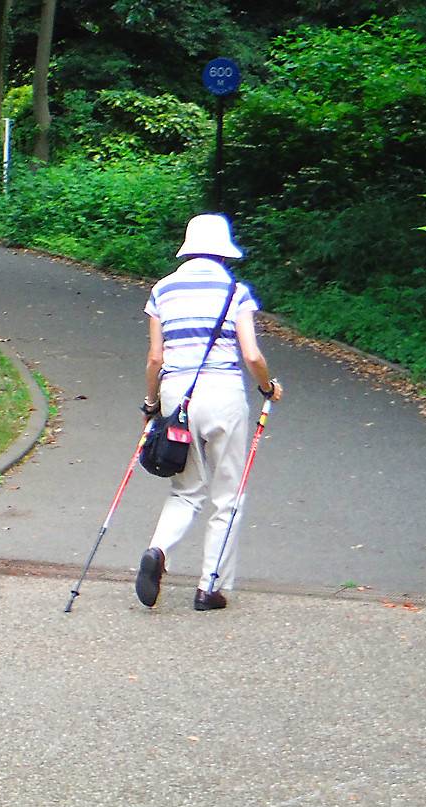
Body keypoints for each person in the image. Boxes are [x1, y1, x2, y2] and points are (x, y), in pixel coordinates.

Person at [135, 213, 284, 611]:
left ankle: (157, 550)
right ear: (222, 251)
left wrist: (151, 406)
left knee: (186, 489)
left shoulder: (162, 290)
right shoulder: (236, 291)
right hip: (222, 394)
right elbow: (251, 354)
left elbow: (154, 358)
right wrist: (268, 386)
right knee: (227, 494)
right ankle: (208, 587)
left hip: (176, 394)